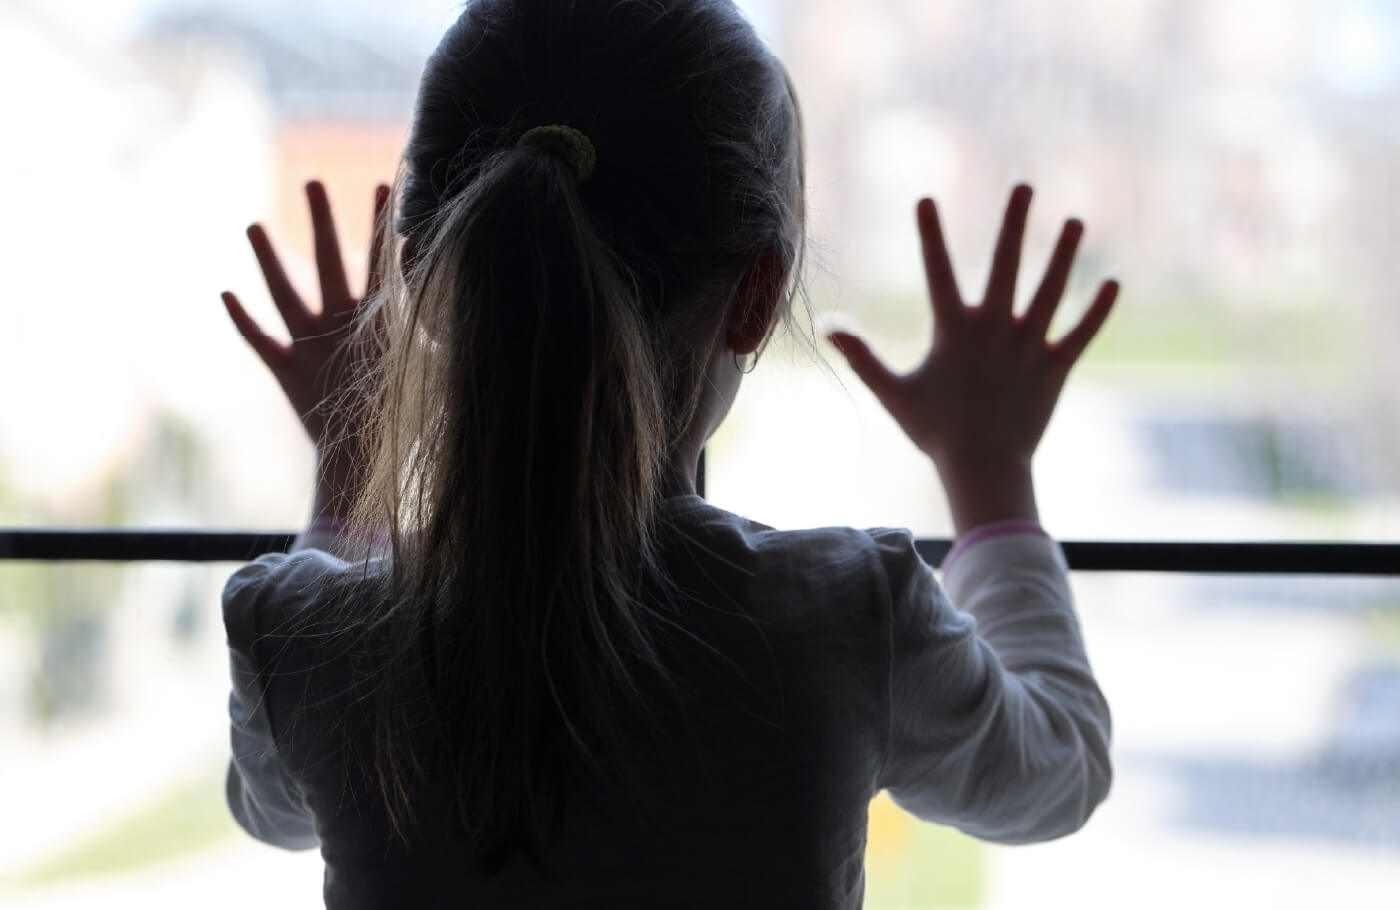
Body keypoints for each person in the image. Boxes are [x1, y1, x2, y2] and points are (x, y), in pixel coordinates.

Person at [218, 0, 1119, 906]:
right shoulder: (844, 621)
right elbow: (1058, 770)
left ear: (415, 277)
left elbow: (273, 809)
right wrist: (986, 462)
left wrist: (351, 455)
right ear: (758, 292)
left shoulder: (296, 643)